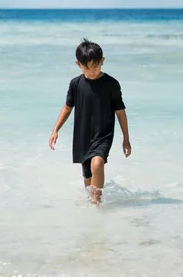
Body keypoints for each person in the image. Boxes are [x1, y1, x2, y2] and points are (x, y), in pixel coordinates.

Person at [49, 39, 131, 204]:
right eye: (86, 67)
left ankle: (96, 203)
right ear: (78, 64)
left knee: (97, 164)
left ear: (102, 61)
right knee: (87, 176)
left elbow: (120, 111)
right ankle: (90, 205)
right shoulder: (76, 84)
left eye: (95, 66)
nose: (91, 71)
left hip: (103, 133)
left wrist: (126, 138)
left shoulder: (111, 84)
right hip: (82, 134)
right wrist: (55, 129)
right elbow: (67, 108)